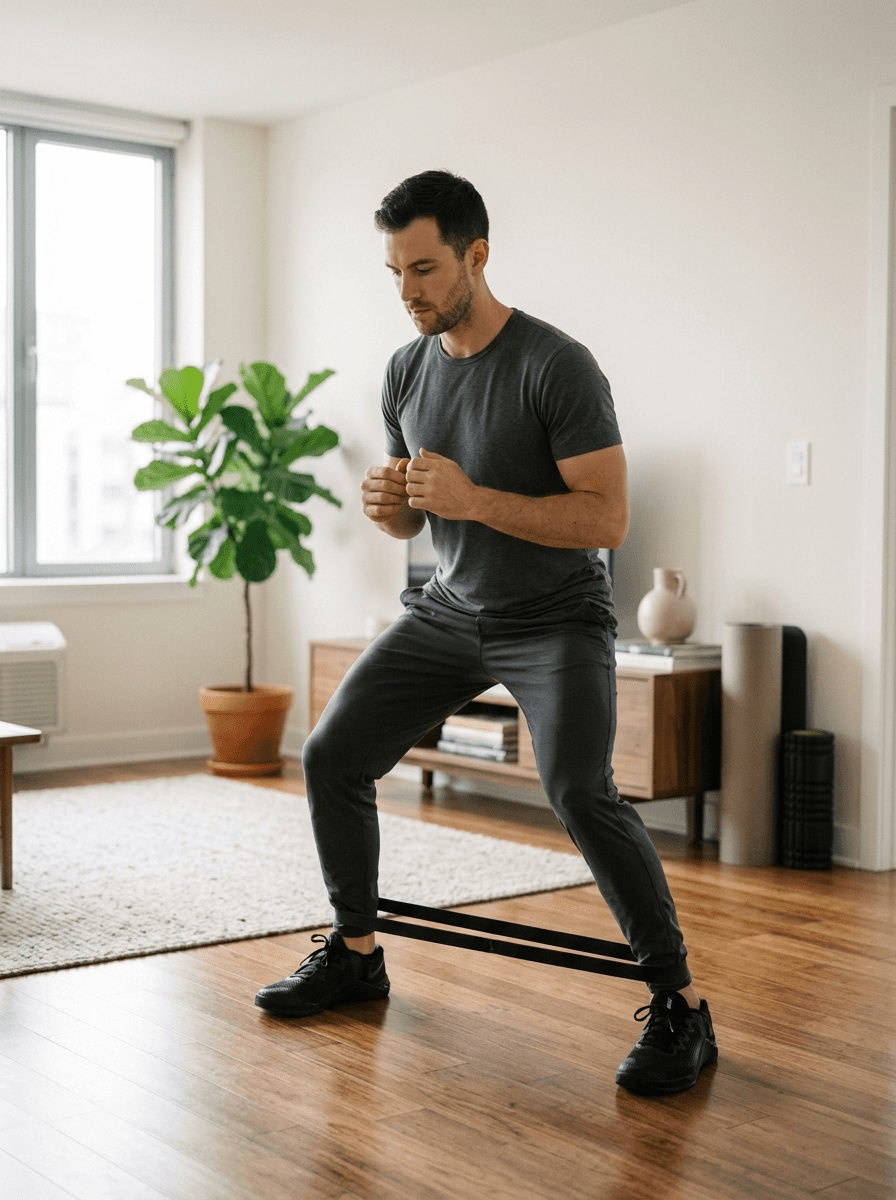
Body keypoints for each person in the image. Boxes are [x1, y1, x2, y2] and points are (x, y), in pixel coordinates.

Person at [255, 170, 717, 1094]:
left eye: (424, 268)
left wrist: (475, 500)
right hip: (449, 612)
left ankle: (680, 1004)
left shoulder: (557, 365)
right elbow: (415, 519)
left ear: (477, 255)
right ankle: (356, 954)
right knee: (332, 754)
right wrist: (392, 506)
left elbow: (607, 518)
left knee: (579, 789)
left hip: (556, 618)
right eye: (394, 272)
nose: (407, 290)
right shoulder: (405, 370)